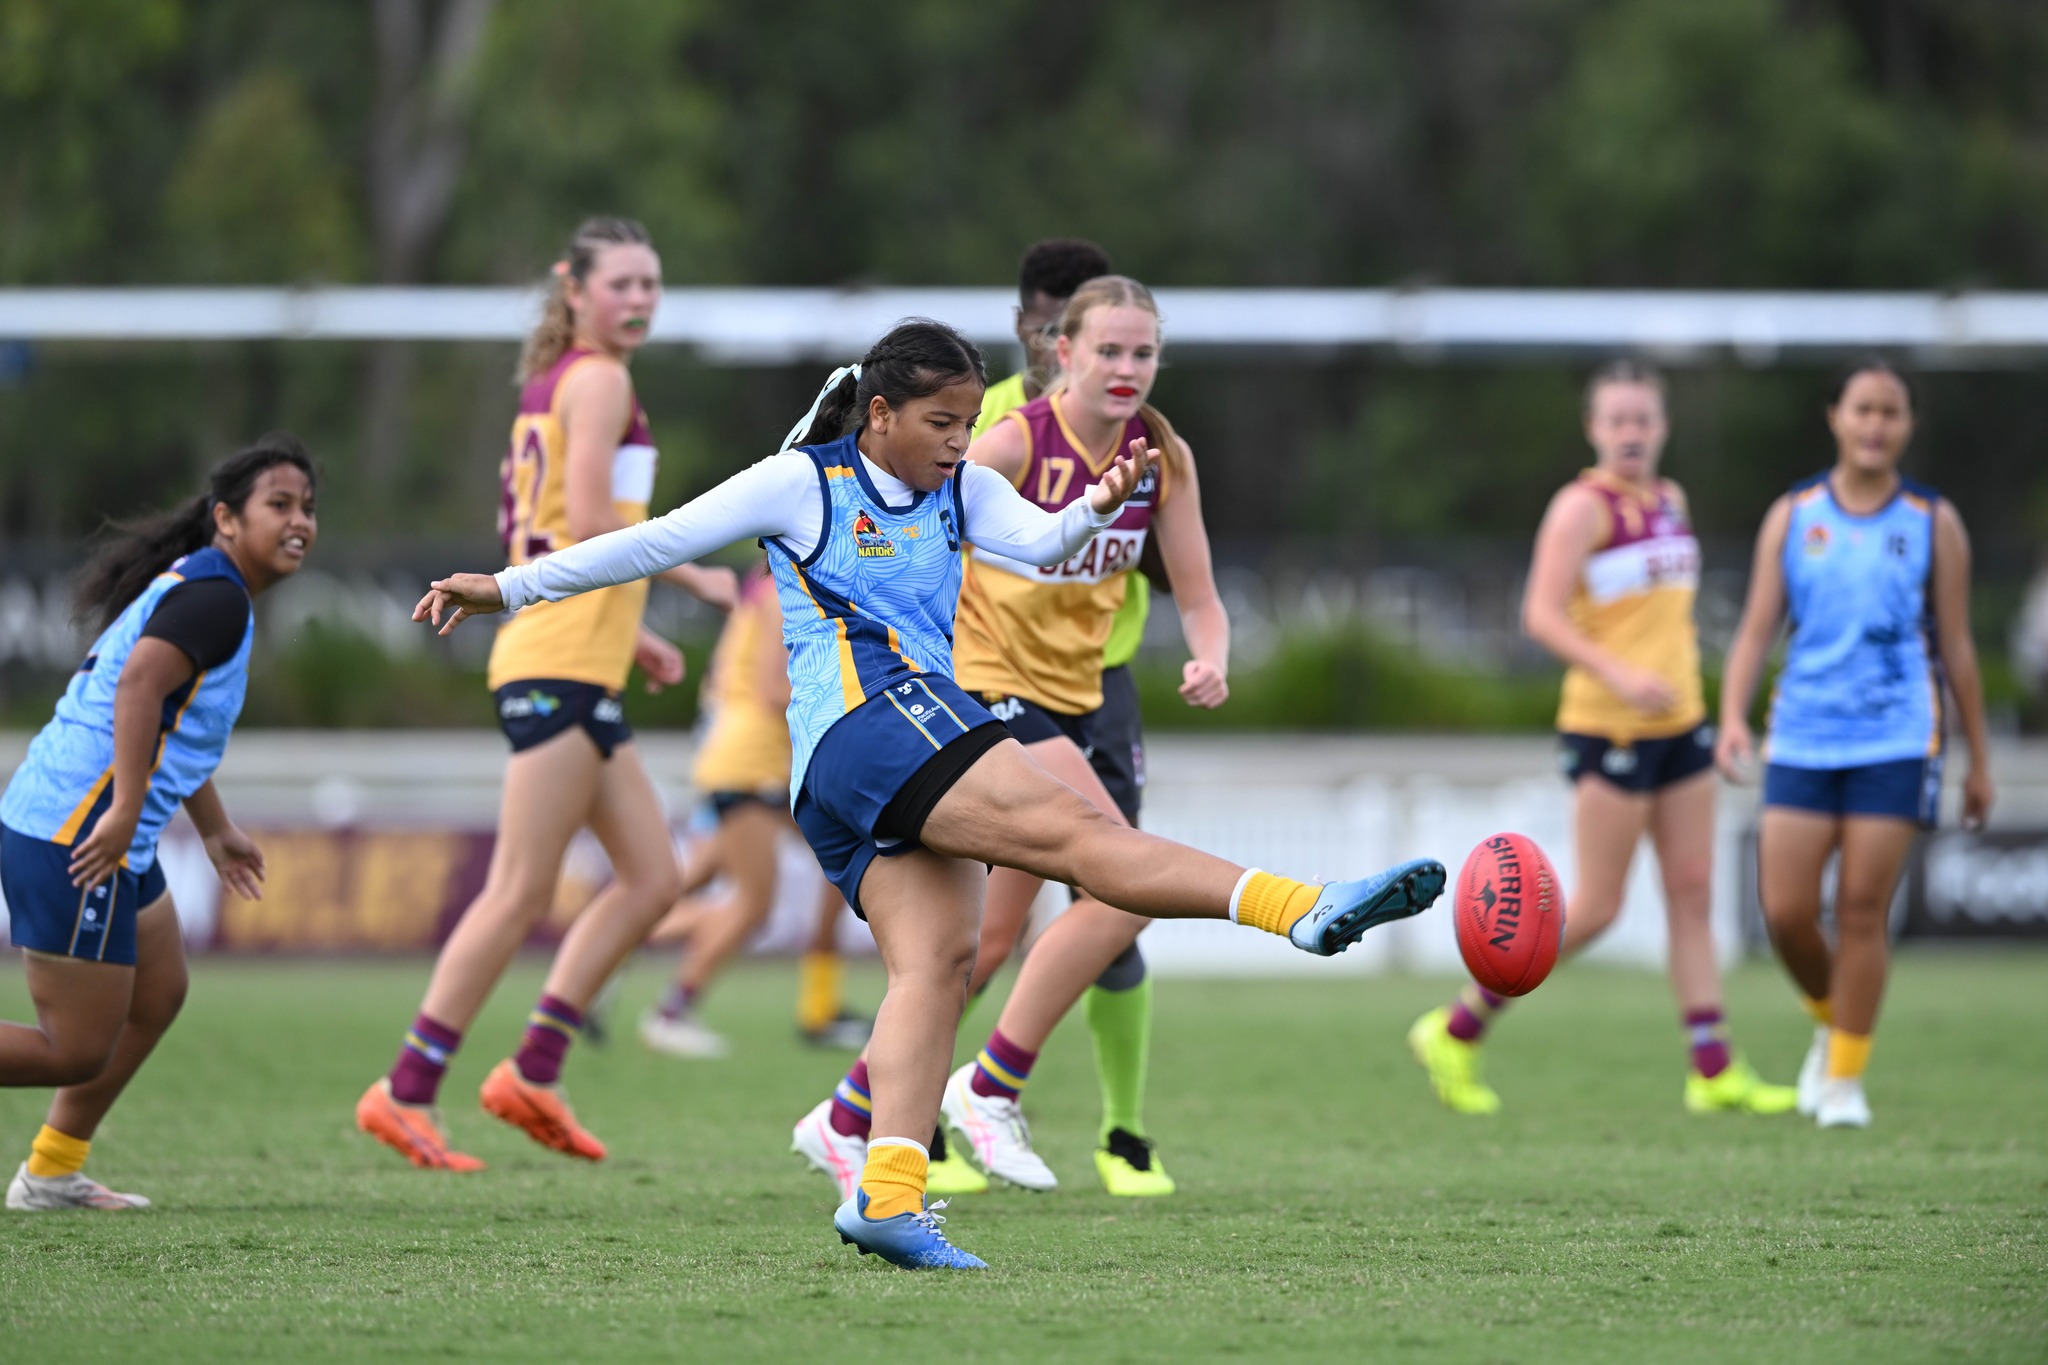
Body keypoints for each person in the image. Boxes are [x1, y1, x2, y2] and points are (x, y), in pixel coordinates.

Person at [413, 318, 1447, 1270]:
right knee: (1085, 839)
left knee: (937, 966)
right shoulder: (799, 483)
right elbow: (653, 540)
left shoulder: (963, 487)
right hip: (872, 730)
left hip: (864, 762)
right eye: (941, 422)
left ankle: (887, 1195)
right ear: (878, 415)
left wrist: (1095, 501)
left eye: (968, 421)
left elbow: (1041, 546)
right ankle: (1301, 909)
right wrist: (500, 587)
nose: (961, 440)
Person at [356, 217, 736, 1172]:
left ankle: (534, 1066)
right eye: (624, 285)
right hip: (554, 658)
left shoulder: (555, 381)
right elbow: (594, 512)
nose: (641, 301)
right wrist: (694, 576)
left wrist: (635, 632)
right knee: (520, 888)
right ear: (575, 289)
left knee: (653, 878)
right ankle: (405, 1089)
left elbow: (551, 533)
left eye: (653, 284)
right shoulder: (599, 377)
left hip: (576, 654)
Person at [1407, 362, 1797, 1117]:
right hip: (1607, 725)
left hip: (1680, 724)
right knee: (1595, 905)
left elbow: (1666, 620)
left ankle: (1713, 1067)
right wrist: (1619, 674)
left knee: (1692, 894)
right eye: (1617, 420)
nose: (1631, 433)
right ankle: (1455, 1028)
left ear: (1663, 427)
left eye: (1643, 420)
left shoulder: (1672, 501)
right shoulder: (1581, 508)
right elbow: (1540, 615)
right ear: (1593, 429)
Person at [928, 274, 1225, 1199]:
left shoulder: (1162, 454)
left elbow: (1202, 593)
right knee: (1126, 882)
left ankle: (867, 1110)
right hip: (989, 688)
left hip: (1083, 695)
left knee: (1017, 924)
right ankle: (988, 1086)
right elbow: (919, 545)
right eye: (1109, 350)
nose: (1127, 368)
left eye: (1143, 353)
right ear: (1065, 352)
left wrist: (1211, 656)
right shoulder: (1013, 440)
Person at [3, 436, 317, 1211]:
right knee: (73, 1049)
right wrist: (124, 810)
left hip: (97, 824)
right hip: (78, 832)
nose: (300, 520)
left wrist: (212, 828)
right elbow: (139, 689)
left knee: (159, 990)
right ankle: (44, 1177)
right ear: (226, 519)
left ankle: (50, 1171)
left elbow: (174, 721)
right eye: (279, 504)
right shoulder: (216, 597)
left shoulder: (211, 587)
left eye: (308, 507)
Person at [1716, 360, 1992, 1130]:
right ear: (1835, 415)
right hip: (1803, 733)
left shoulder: (1934, 522)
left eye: (1891, 411)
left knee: (1864, 909)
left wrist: (1978, 759)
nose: (1876, 424)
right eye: (1862, 408)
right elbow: (1756, 629)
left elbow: (1960, 649)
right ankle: (1835, 1019)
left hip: (1898, 734)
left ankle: (1842, 1082)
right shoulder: (1794, 513)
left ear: (1908, 425)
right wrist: (1733, 715)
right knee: (1786, 911)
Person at [636, 562, 869, 1058]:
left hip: (747, 758)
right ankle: (670, 1010)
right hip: (754, 764)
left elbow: (724, 684)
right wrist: (853, 695)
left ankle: (605, 959)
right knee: (754, 903)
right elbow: (772, 690)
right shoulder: (780, 597)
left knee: (688, 886)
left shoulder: (763, 591)